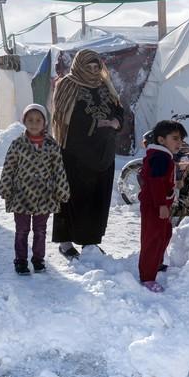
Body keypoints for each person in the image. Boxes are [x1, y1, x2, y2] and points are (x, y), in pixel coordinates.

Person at [51, 49, 124, 259]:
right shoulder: (67, 85)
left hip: (104, 152)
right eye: (88, 67)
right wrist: (97, 123)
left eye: (96, 67)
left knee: (97, 199)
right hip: (76, 153)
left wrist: (117, 121)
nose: (93, 71)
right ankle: (65, 242)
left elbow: (119, 108)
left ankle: (90, 241)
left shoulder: (105, 85)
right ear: (78, 66)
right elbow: (63, 117)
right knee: (72, 198)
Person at [0, 104, 70, 275]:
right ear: (24, 121)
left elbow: (58, 169)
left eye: (38, 120)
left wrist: (62, 189)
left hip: (44, 195)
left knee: (40, 230)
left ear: (44, 123)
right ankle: (20, 261)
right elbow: (9, 167)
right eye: (30, 120)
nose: (34, 124)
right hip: (21, 194)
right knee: (22, 230)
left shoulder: (52, 146)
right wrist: (5, 186)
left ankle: (38, 259)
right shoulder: (18, 144)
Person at [138, 120, 186, 293]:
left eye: (181, 139)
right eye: (175, 138)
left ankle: (156, 263)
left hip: (161, 204)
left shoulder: (164, 156)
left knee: (165, 234)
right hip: (154, 206)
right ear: (161, 139)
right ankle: (147, 277)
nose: (179, 143)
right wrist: (161, 205)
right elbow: (156, 182)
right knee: (152, 239)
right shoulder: (159, 157)